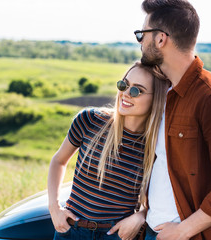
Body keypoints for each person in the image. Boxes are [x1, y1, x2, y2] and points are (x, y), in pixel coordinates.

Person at [133, 0, 211, 239]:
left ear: (160, 39)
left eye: (142, 34)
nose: (140, 42)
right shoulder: (166, 93)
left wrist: (181, 231)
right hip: (156, 231)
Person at [48, 62, 169, 240]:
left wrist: (140, 216)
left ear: (156, 99)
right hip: (71, 231)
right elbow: (58, 161)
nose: (126, 94)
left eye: (137, 91)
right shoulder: (90, 120)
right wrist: (54, 208)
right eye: (124, 85)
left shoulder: (156, 145)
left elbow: (160, 197)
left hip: (116, 234)